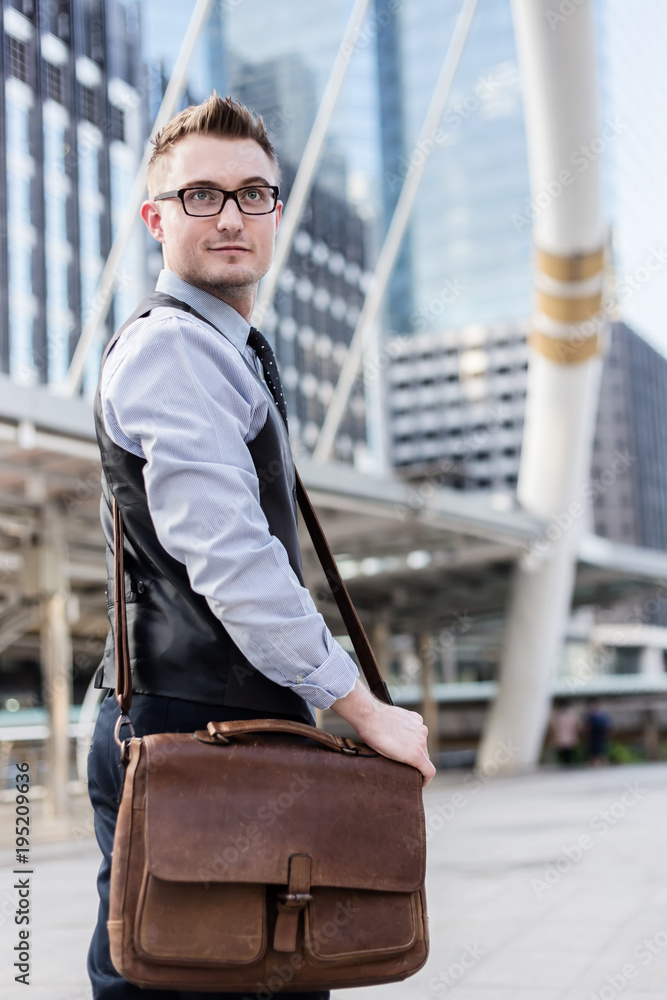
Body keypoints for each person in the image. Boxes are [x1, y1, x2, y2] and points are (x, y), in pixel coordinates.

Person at [86, 93, 435, 1000]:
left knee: (256, 972)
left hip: (215, 722)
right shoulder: (176, 350)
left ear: (276, 211)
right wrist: (362, 708)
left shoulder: (223, 349)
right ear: (154, 218)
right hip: (191, 724)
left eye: (254, 193)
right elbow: (233, 559)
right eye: (201, 195)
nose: (232, 215)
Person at [549, 698, 581, 766]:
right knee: (566, 754)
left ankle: (565, 765)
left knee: (565, 754)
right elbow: (578, 725)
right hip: (568, 737)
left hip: (563, 737)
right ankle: (567, 765)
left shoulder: (557, 714)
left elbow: (552, 726)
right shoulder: (571, 713)